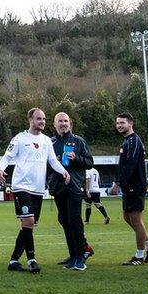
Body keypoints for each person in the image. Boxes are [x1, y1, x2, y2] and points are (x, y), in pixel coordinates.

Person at [0, 107, 70, 274]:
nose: (42, 121)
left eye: (44, 119)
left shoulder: (46, 141)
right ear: (30, 120)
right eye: (39, 119)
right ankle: (32, 260)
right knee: (29, 221)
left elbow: (52, 160)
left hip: (38, 189)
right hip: (21, 186)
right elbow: (7, 156)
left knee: (28, 225)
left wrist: (63, 171)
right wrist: (1, 169)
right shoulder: (20, 138)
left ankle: (14, 260)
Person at [109, 112, 148, 266]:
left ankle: (139, 256)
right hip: (129, 186)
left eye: (122, 123)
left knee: (136, 219)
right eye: (117, 123)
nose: (119, 126)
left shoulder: (133, 142)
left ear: (130, 123)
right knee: (127, 217)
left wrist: (118, 183)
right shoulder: (127, 141)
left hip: (134, 186)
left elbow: (129, 166)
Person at [49, 112, 95, 271]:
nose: (63, 124)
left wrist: (76, 158)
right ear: (54, 125)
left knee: (74, 220)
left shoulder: (78, 141)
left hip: (74, 187)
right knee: (64, 220)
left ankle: (80, 257)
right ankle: (73, 255)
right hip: (58, 187)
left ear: (70, 124)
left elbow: (90, 162)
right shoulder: (50, 143)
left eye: (65, 121)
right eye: (60, 121)